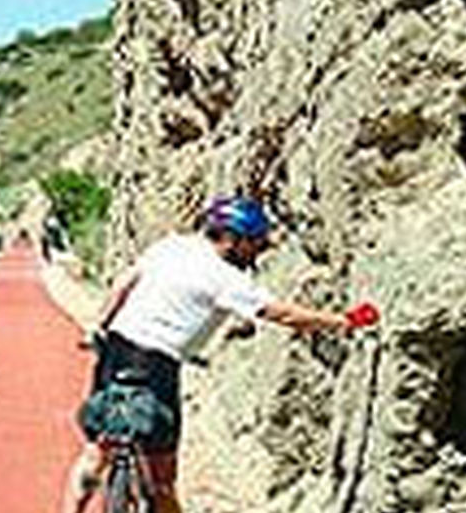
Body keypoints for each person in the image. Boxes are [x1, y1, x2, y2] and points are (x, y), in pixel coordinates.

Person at [60, 196, 378, 513]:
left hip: (116, 350)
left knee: (95, 454)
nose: (257, 252)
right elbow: (282, 315)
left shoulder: (170, 246)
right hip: (158, 368)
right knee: (162, 482)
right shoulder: (226, 278)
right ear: (232, 239)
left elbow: (124, 284)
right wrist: (343, 321)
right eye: (254, 243)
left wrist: (98, 326)